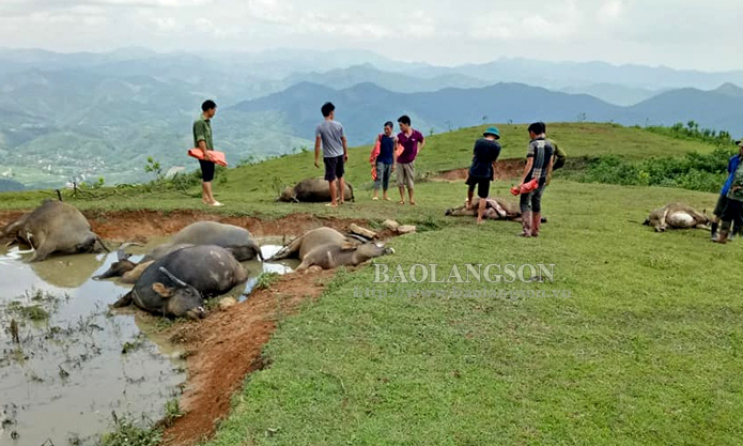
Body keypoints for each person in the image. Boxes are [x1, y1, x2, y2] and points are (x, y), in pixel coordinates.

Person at [517, 122, 554, 237]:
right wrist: (547, 177)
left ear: (532, 132)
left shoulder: (532, 145)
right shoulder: (550, 145)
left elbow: (529, 163)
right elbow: (550, 164)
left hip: (530, 180)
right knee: (536, 202)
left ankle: (526, 230)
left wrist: (522, 180)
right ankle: (536, 230)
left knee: (524, 203)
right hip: (541, 179)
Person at [465, 127, 502, 225]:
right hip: (486, 172)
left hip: (474, 169)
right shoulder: (497, 146)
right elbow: (494, 161)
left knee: (471, 187)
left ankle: (469, 203)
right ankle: (479, 218)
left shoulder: (478, 142)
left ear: (486, 134)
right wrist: (496, 170)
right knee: (483, 196)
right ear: (495, 136)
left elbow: (474, 155)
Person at [314, 102, 349, 207]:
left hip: (329, 156)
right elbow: (344, 140)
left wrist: (316, 159)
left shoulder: (320, 127)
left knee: (331, 179)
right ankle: (342, 199)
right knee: (340, 176)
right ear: (330, 113)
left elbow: (318, 144)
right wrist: (346, 153)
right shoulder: (339, 125)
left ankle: (334, 202)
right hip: (340, 154)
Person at [711, 139, 743, 241]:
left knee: (736, 214)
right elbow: (729, 173)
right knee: (719, 212)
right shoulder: (733, 159)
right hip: (727, 190)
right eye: (740, 147)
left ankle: (732, 233)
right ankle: (714, 233)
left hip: (739, 194)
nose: (741, 149)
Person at [193, 99, 222, 206]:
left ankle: (205, 198)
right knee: (207, 176)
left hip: (209, 152)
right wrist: (205, 153)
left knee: (208, 175)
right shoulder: (200, 122)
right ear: (209, 109)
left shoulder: (207, 122)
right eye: (214, 110)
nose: (214, 112)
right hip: (204, 153)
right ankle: (211, 200)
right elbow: (201, 139)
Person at [396, 115, 425, 205]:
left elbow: (423, 140)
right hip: (400, 161)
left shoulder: (416, 134)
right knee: (400, 182)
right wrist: (395, 144)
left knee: (410, 181)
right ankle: (402, 199)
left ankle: (411, 199)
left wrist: (419, 149)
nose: (400, 127)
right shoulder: (399, 136)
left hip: (410, 161)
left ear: (407, 124)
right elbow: (396, 148)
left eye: (401, 125)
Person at [370, 122, 397, 201]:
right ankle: (375, 195)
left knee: (386, 178)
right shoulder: (381, 137)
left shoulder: (394, 139)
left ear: (391, 129)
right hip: (380, 160)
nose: (386, 130)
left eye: (388, 129)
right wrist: (374, 161)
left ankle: (385, 195)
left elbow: (394, 152)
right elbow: (376, 149)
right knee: (379, 177)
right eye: (385, 129)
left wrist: (394, 164)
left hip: (389, 161)